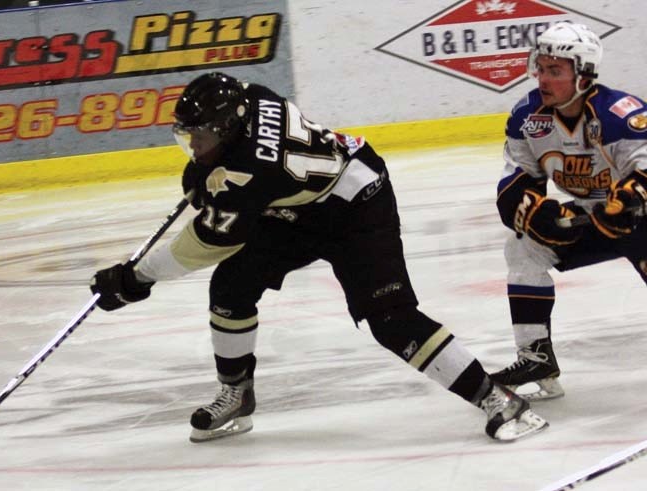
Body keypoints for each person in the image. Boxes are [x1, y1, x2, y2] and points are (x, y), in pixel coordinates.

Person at [90, 71, 548, 442]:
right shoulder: (252, 96)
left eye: (201, 137)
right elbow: (231, 176)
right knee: (232, 288)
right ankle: (237, 394)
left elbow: (207, 243)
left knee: (390, 320)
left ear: (228, 129)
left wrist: (136, 279)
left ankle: (497, 398)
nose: (193, 146)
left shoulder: (252, 173)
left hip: (356, 207)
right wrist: (207, 173)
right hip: (298, 204)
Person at [491, 22, 647, 400]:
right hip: (590, 214)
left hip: (639, 220)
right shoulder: (528, 117)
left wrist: (629, 200)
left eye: (555, 70)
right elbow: (514, 182)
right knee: (523, 248)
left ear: (583, 76)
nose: (542, 78)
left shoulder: (619, 114)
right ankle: (537, 357)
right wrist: (536, 212)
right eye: (540, 67)